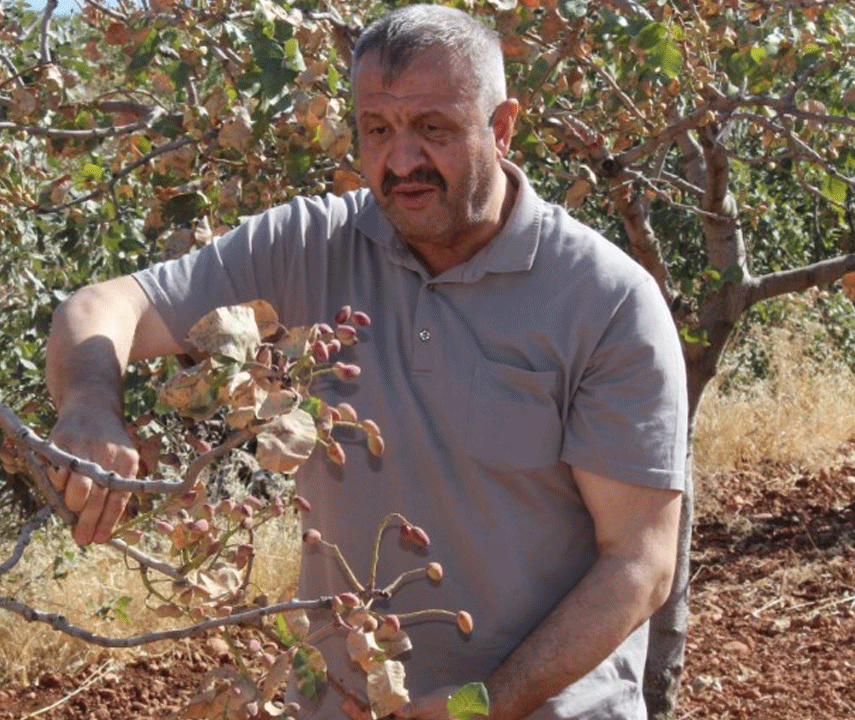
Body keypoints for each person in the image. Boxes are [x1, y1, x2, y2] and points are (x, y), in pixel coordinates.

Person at [43, 5, 687, 719]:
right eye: (377, 129)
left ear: (503, 128)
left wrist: (479, 707)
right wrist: (91, 403)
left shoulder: (606, 301)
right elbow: (105, 306)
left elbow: (638, 563)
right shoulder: (308, 248)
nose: (401, 160)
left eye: (433, 129)